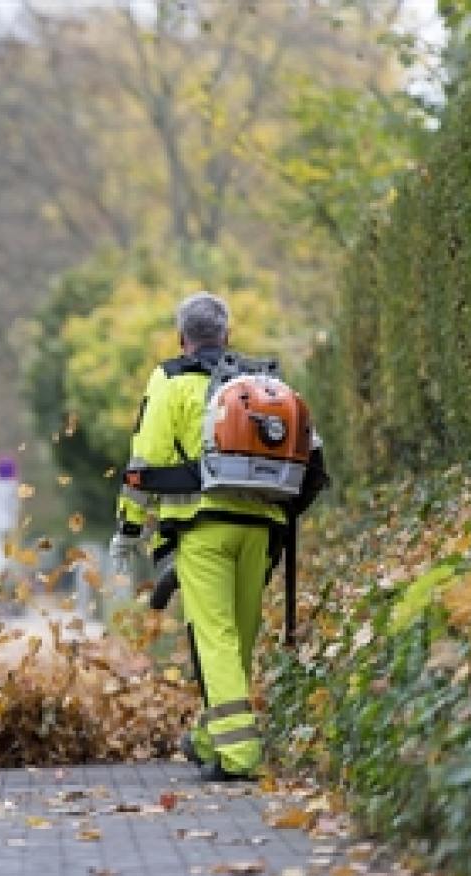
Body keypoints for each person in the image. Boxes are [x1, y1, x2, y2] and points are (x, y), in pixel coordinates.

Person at [109, 292, 326, 782]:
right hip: (262, 529)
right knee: (240, 637)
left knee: (216, 637)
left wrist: (127, 530)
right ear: (226, 336)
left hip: (203, 528)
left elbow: (145, 461)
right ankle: (210, 737)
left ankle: (240, 755)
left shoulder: (171, 380)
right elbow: (309, 458)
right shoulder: (264, 386)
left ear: (182, 338)